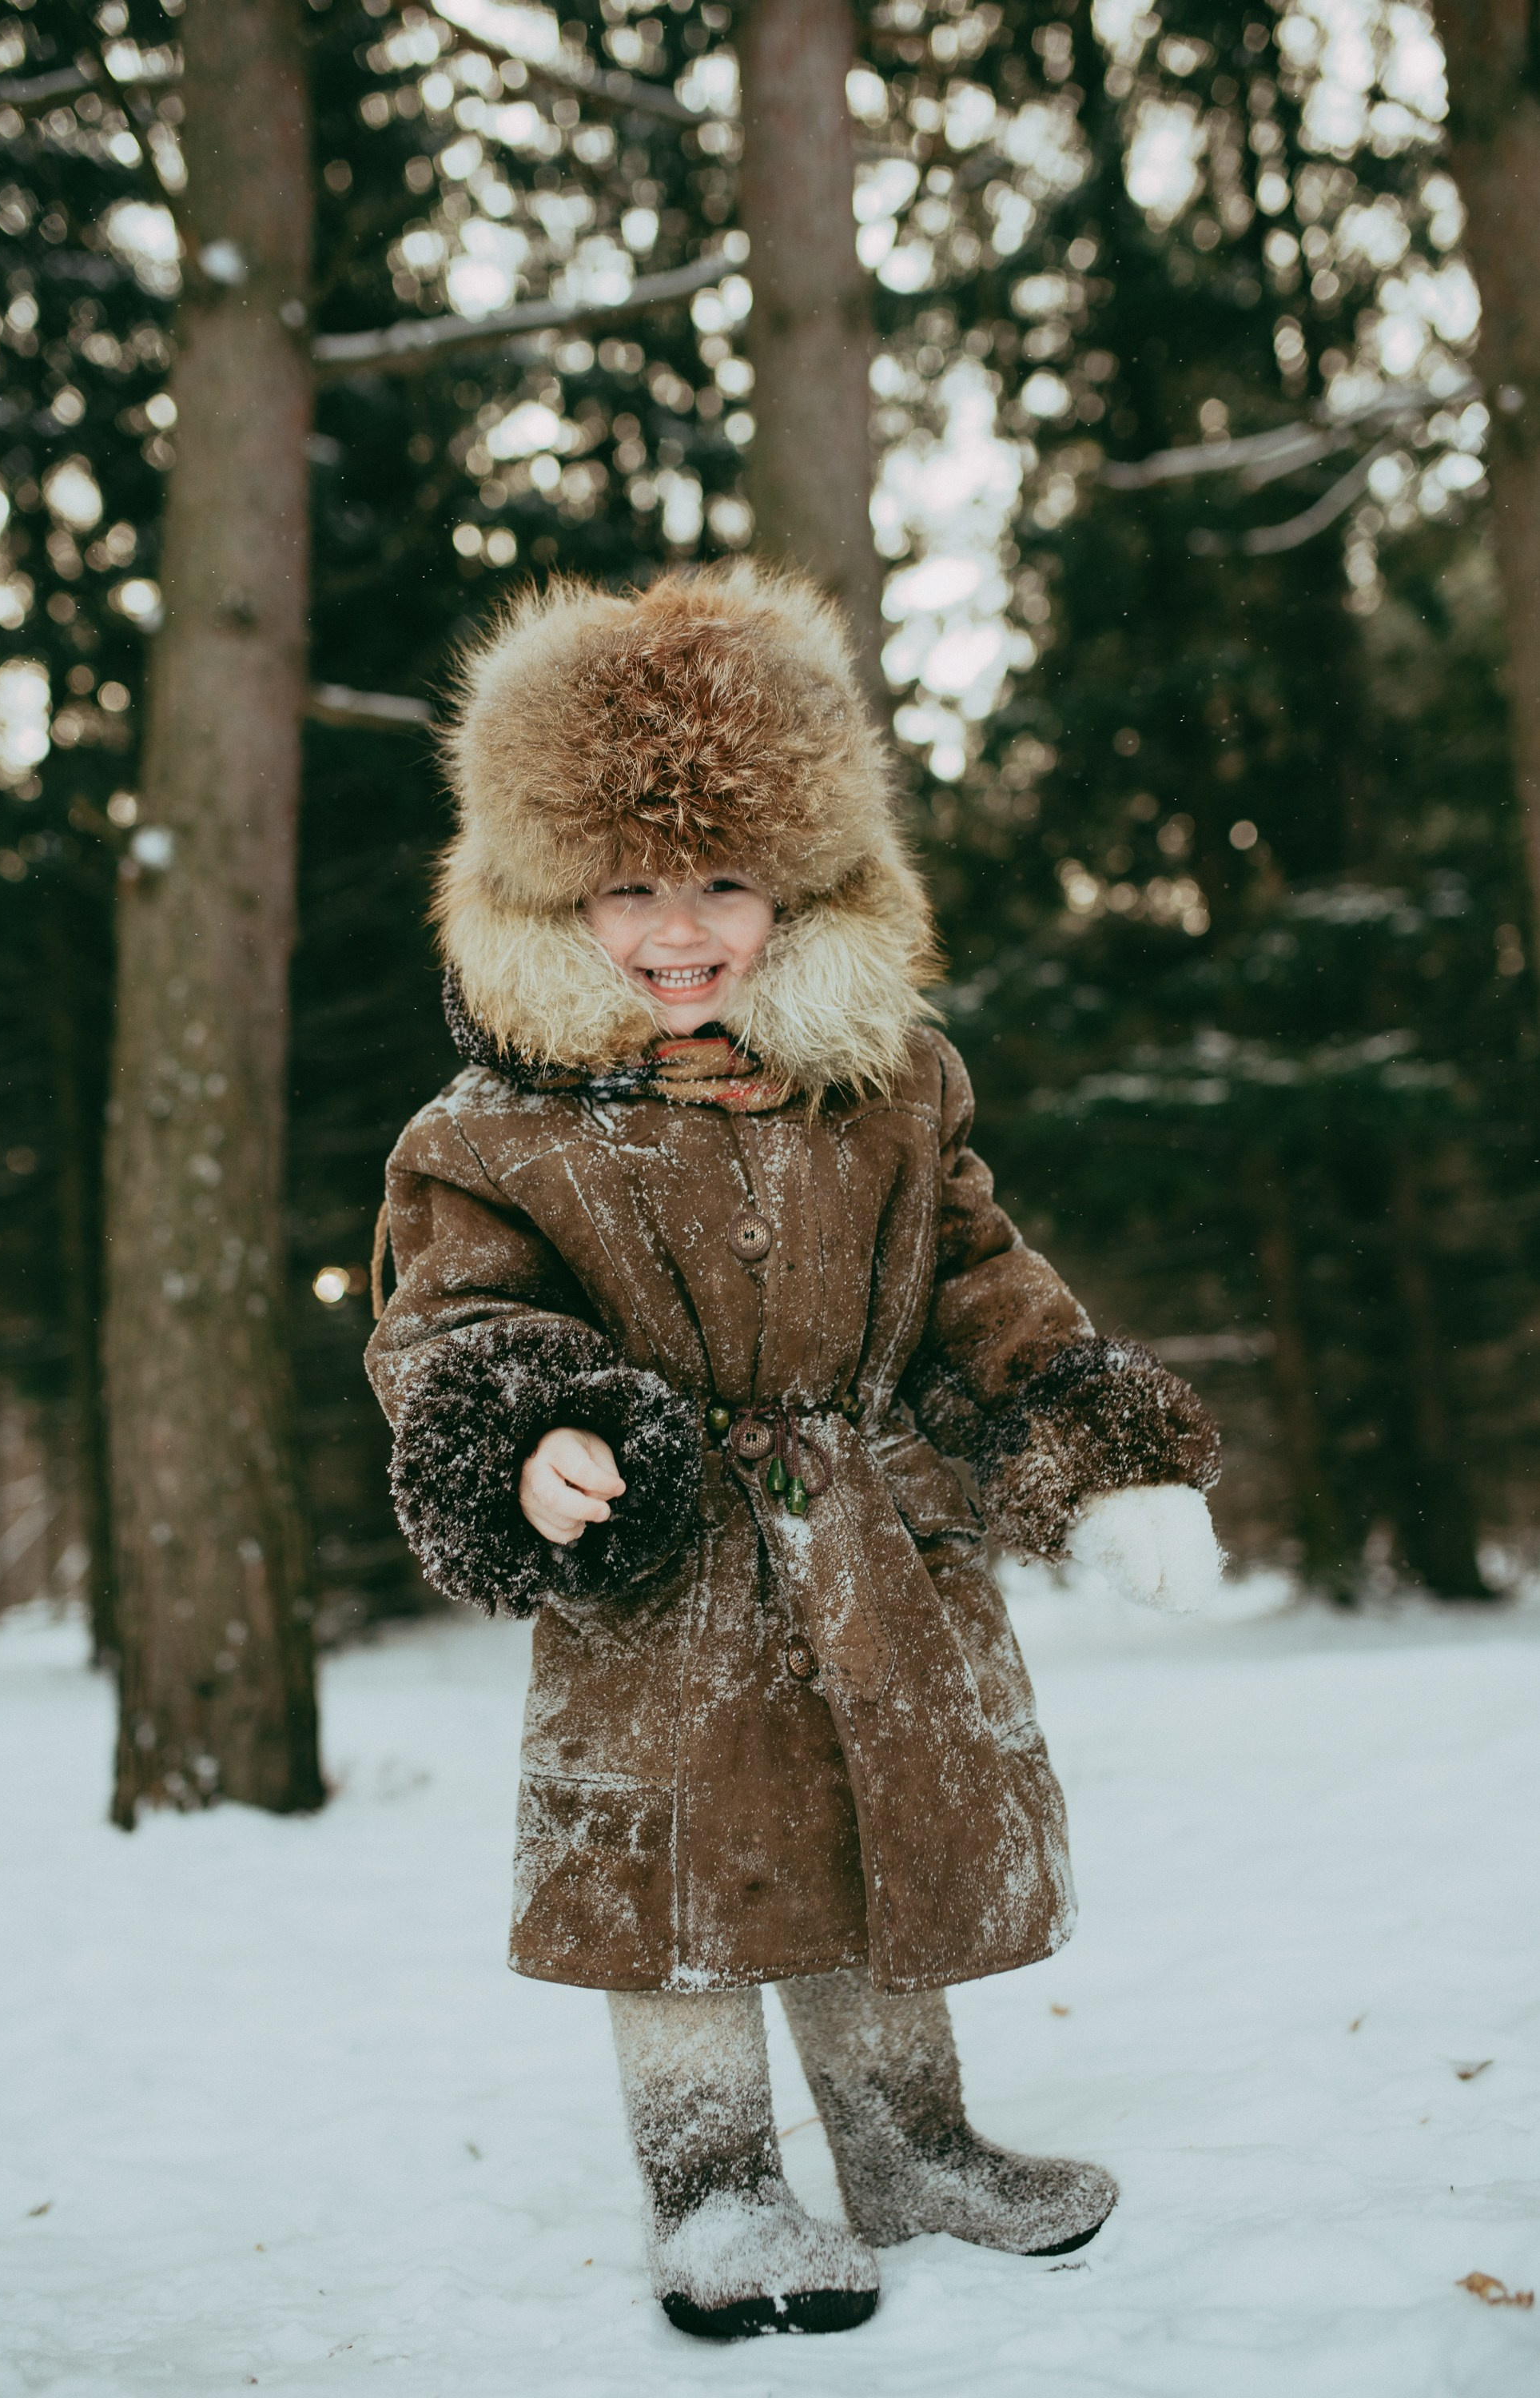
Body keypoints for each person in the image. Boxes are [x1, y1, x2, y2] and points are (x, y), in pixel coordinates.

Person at [366, 564, 1223, 2342]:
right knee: (687, 1886)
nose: (682, 930)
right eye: (630, 887)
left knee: (871, 1856)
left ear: (804, 882)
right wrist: (529, 1436)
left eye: (726, 882)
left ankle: (916, 2151)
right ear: (549, 892)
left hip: (873, 1551)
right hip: (654, 1586)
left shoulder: (890, 1088)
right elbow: (442, 1322)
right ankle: (718, 2188)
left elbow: (979, 1284)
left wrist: (1100, 1448)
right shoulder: (491, 1132)